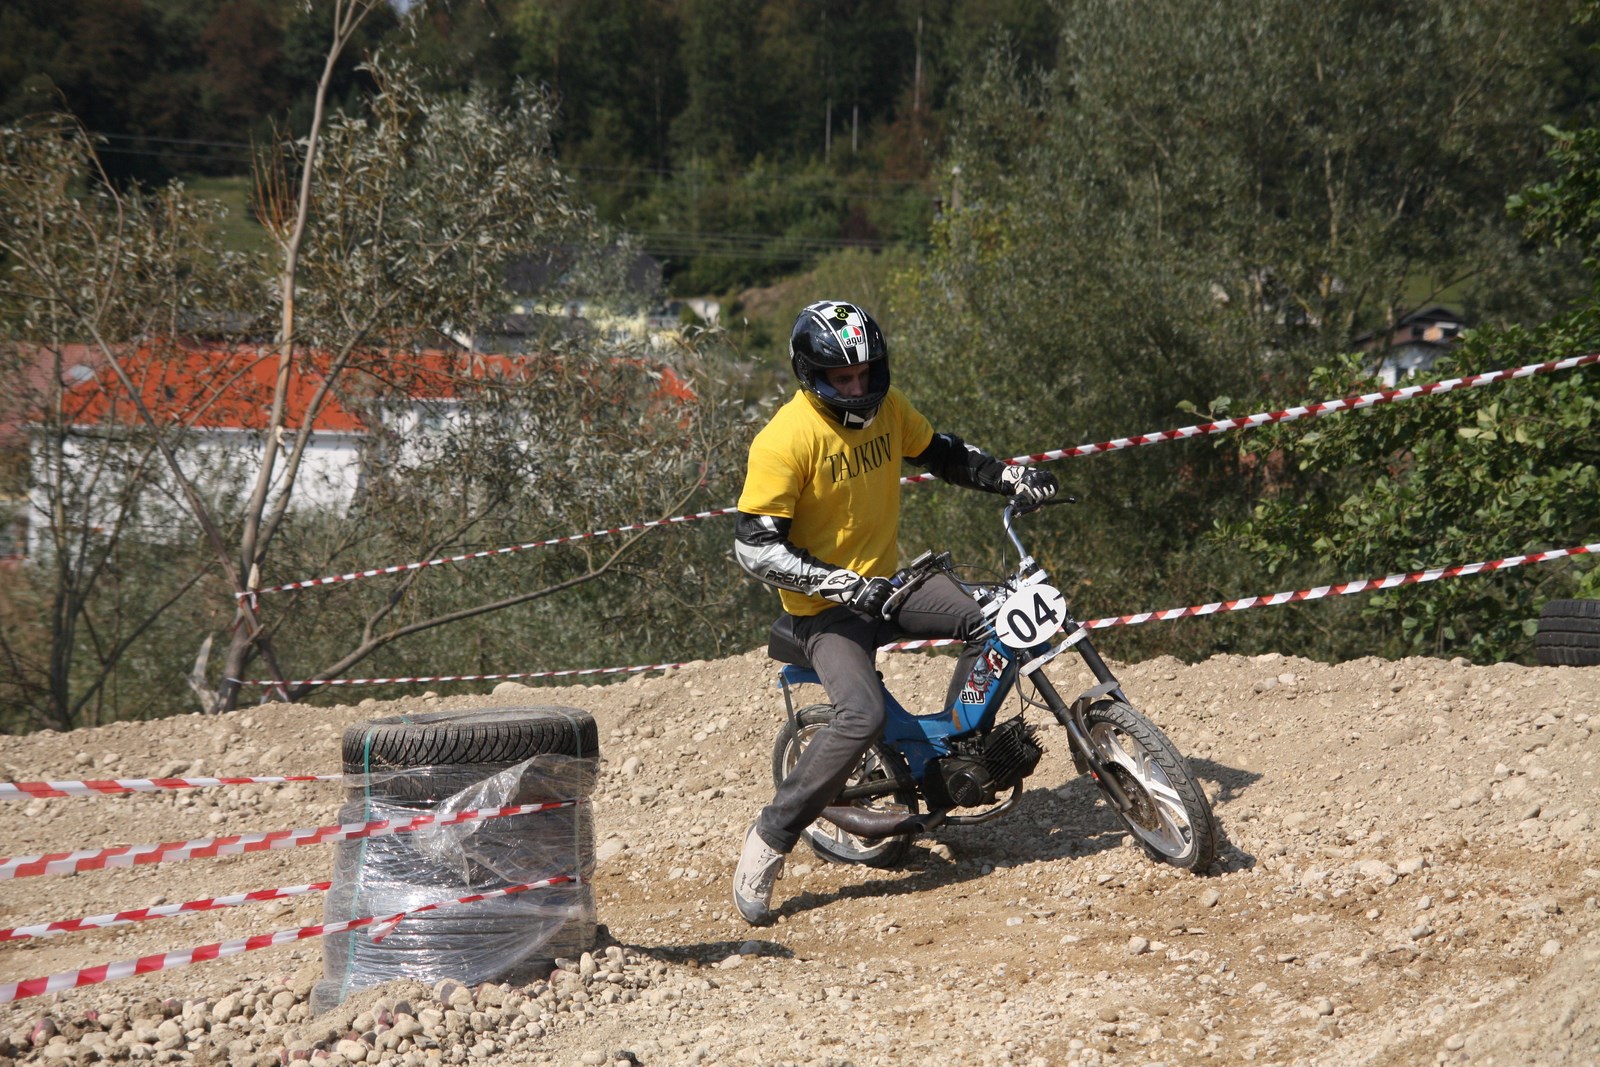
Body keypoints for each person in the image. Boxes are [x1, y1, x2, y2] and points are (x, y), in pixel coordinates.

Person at [730, 299, 1058, 926]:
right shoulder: (784, 440)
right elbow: (755, 547)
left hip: (890, 585)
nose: (858, 389)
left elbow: (943, 453)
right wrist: (842, 585)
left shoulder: (889, 410)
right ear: (811, 375)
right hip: (825, 611)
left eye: (866, 374)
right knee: (862, 715)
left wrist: (1011, 475)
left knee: (999, 619)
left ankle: (955, 751)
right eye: (842, 378)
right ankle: (770, 837)